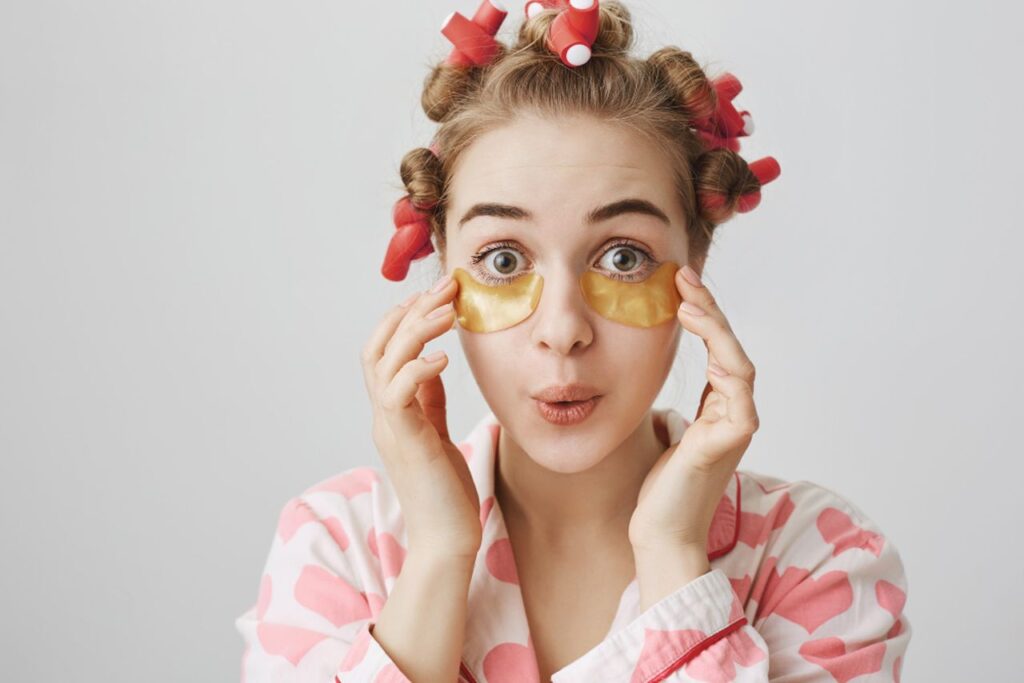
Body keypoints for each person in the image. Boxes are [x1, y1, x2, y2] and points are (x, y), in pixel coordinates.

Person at [235, 1, 912, 681]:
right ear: (444, 269)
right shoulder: (337, 547)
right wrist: (440, 552)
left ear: (694, 267)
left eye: (623, 257)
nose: (562, 331)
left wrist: (674, 554)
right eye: (503, 259)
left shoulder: (817, 557)